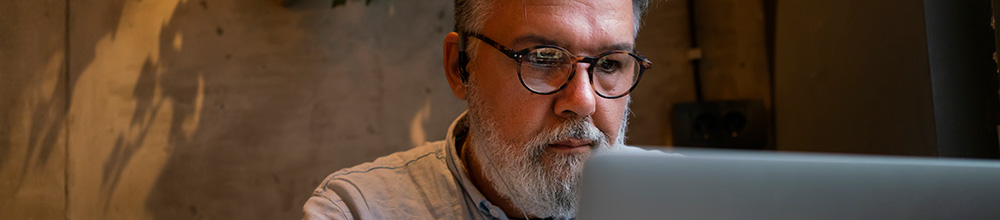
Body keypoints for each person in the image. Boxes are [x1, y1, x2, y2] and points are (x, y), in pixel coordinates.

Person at [303, 0, 655, 219]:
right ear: (461, 67)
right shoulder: (358, 211)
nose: (583, 101)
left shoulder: (689, 203)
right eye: (543, 58)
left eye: (609, 64)